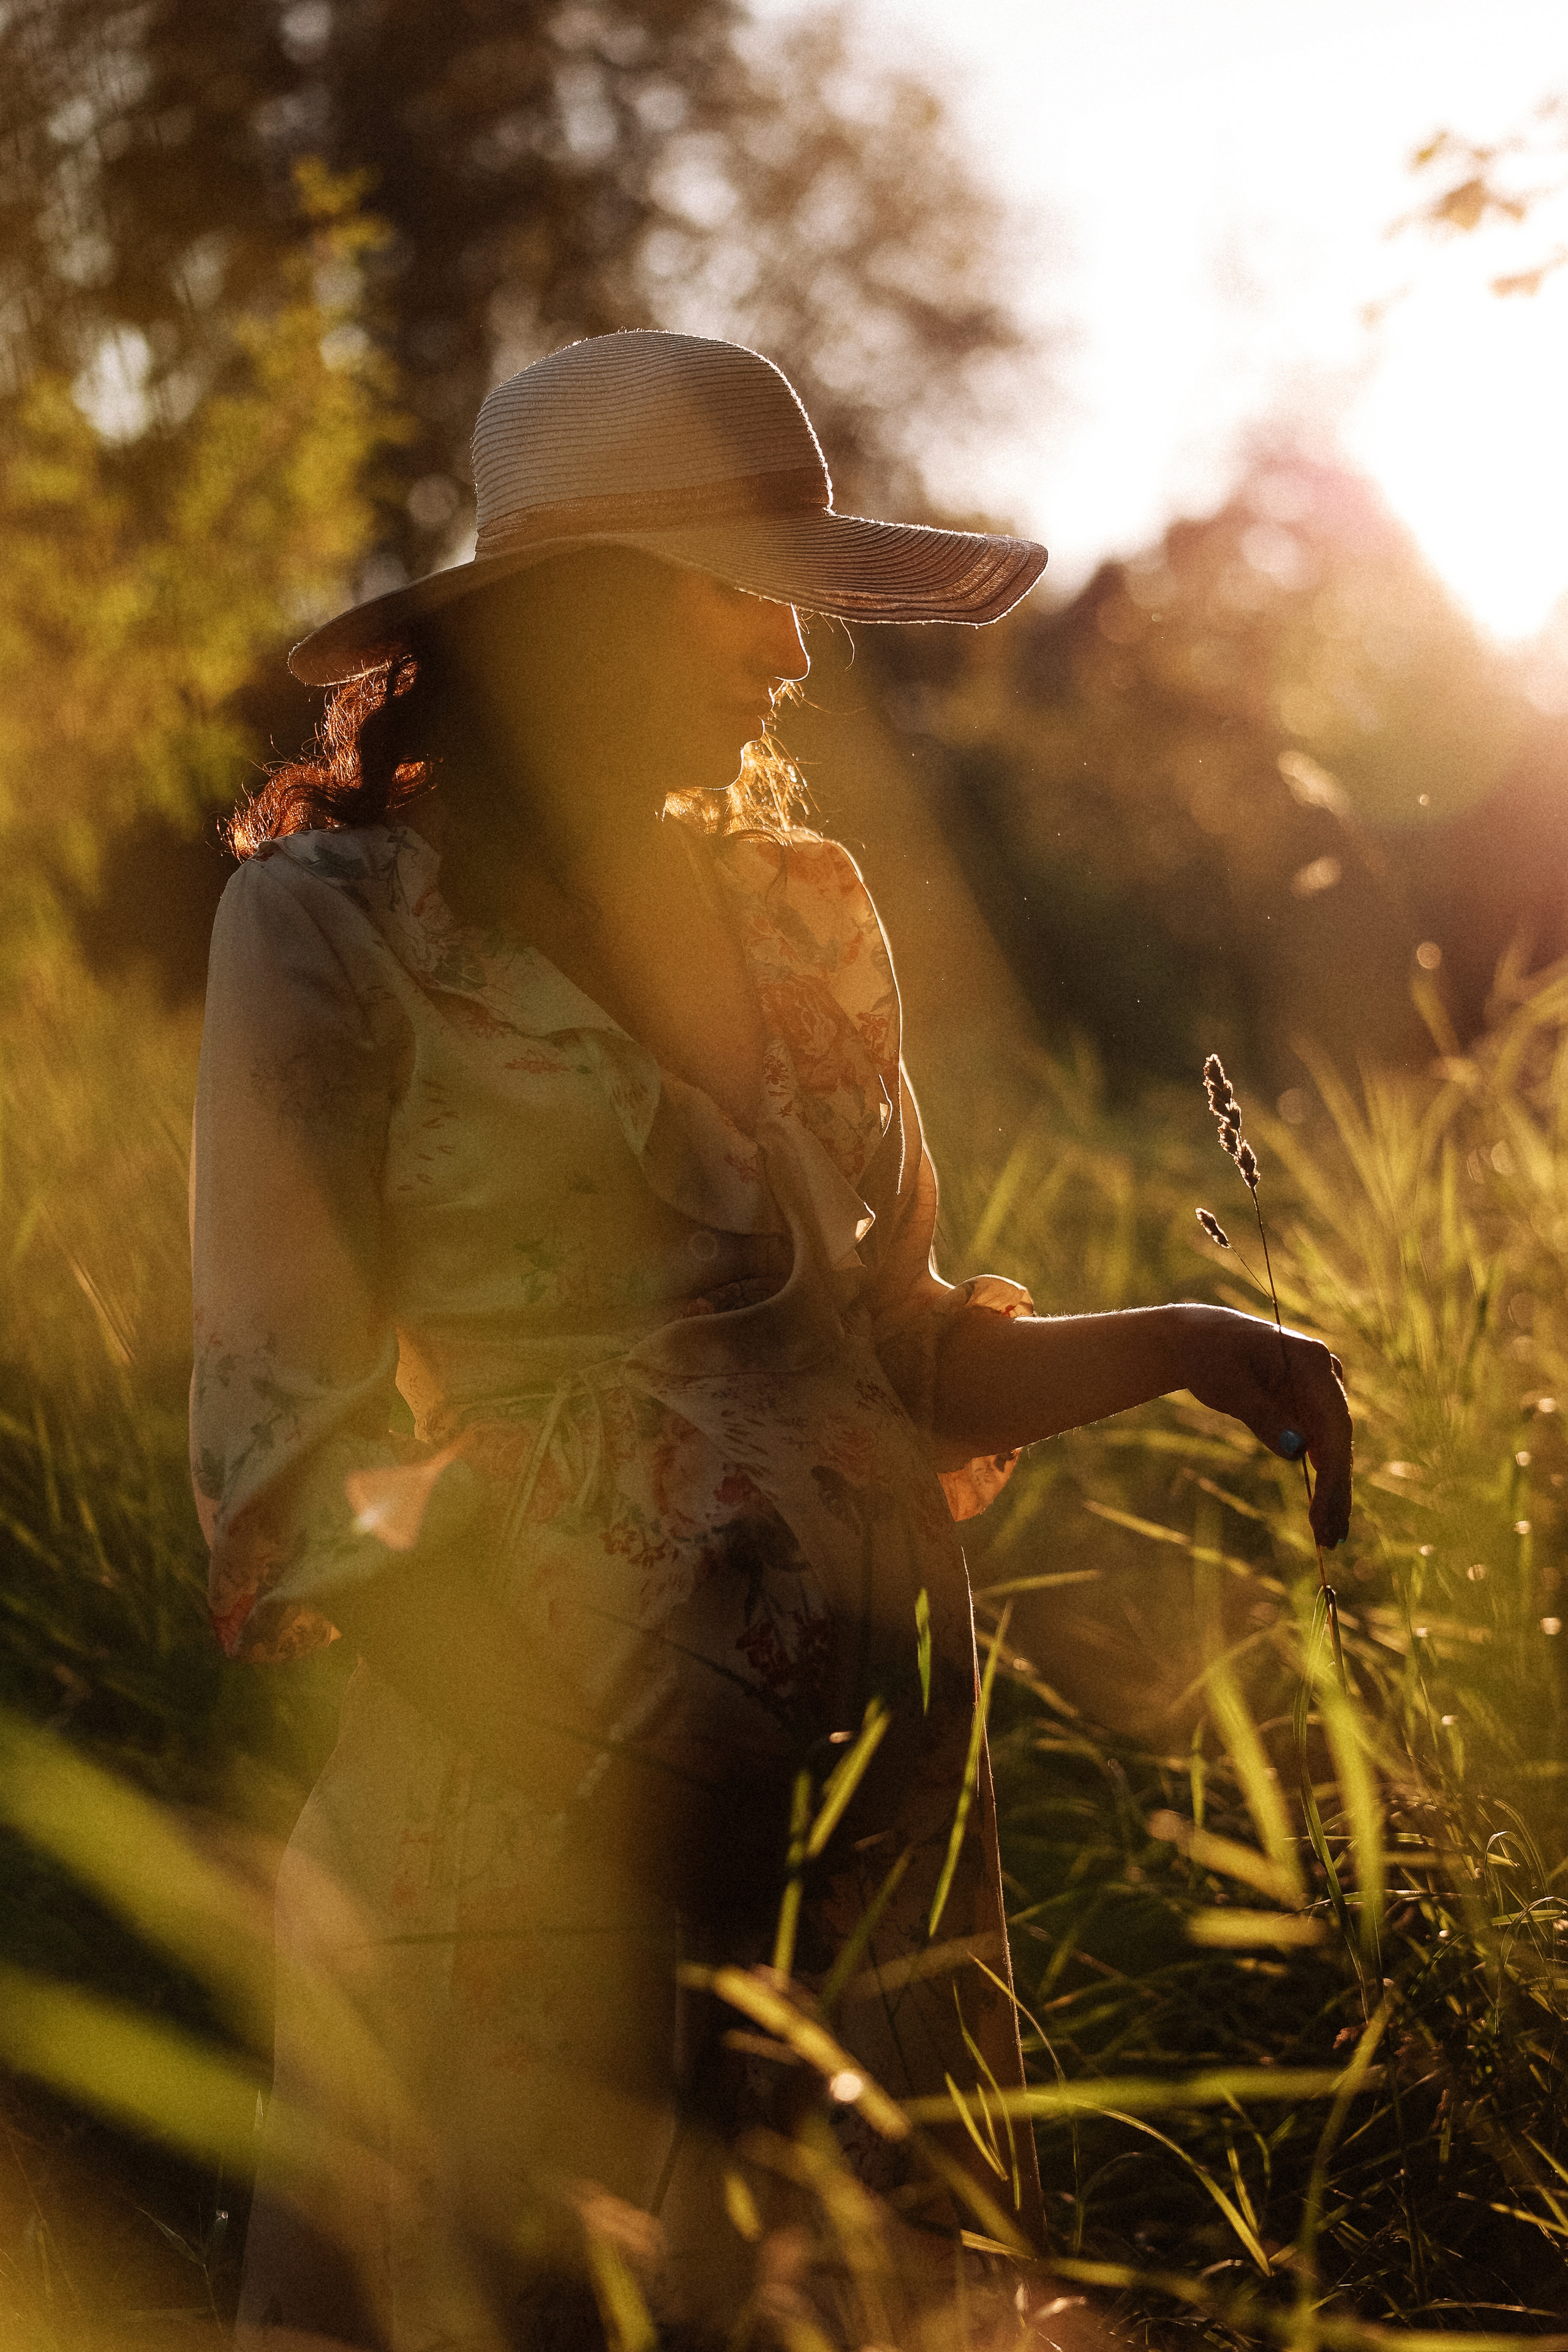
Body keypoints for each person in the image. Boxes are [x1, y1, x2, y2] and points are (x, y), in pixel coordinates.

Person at [190, 331, 1352, 2350]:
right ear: (580, 611)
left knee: (853, 2308)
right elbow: (290, 1463)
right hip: (520, 1842)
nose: (797, 655)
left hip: (876, 1833)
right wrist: (613, 1791)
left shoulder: (808, 912)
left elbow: (884, 1356)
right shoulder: (333, 928)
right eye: (746, 589)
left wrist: (1167, 1342)